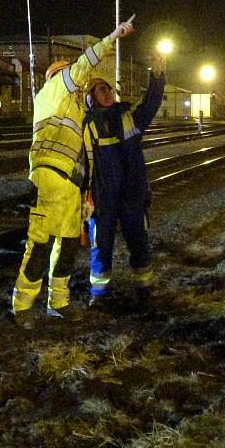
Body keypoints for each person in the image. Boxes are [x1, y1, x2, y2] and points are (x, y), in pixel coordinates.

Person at [10, 16, 136, 328]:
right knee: (39, 244)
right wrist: (112, 38)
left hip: (70, 185)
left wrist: (86, 193)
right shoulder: (53, 91)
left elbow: (86, 156)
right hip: (50, 177)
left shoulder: (77, 110)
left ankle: (59, 302)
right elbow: (82, 66)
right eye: (70, 74)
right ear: (57, 75)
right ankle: (23, 306)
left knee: (66, 246)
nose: (78, 82)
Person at [84, 53, 165, 306]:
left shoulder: (128, 115)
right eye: (100, 89)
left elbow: (150, 105)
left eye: (108, 88)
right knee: (101, 246)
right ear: (90, 97)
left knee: (138, 240)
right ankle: (99, 294)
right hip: (102, 197)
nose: (106, 92)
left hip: (132, 194)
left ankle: (144, 286)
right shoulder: (85, 125)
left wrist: (157, 78)